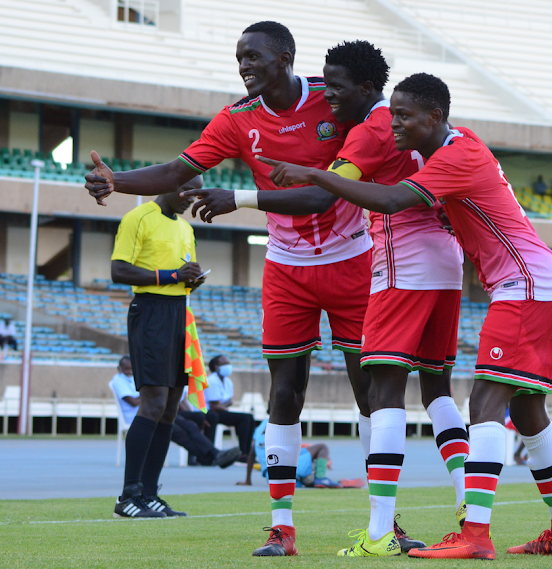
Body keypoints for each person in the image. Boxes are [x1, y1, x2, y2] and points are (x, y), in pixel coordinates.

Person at [257, 73, 552, 558]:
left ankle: (474, 535)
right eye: (391, 113)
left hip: (524, 285)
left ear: (435, 117)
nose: (394, 124)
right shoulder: (462, 145)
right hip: (532, 281)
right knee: (526, 408)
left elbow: (392, 200)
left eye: (405, 115)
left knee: (486, 402)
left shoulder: (458, 155)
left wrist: (315, 174)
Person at [85, 21, 375, 555]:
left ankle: (385, 523)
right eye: (239, 58)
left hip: (351, 259)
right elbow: (179, 168)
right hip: (286, 266)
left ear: (285, 56)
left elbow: (324, 196)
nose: (244, 66)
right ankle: (282, 528)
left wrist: (238, 197)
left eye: (254, 57)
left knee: (368, 393)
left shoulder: (332, 101)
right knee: (284, 393)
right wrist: (117, 181)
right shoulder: (238, 119)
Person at [306, 40, 465, 558]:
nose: (328, 93)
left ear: (366, 88)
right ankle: (468, 507)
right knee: (438, 390)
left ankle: (378, 532)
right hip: (447, 262)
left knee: (385, 392)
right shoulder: (440, 131)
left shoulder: (378, 125)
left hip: (402, 263)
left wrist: (249, 193)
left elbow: (327, 192)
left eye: (335, 83)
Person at [110, 180, 206, 519]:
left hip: (180, 314)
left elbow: (182, 274)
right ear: (170, 185)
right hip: (149, 311)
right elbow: (119, 270)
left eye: (197, 195)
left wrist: (191, 278)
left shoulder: (185, 228)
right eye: (188, 193)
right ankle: (128, 496)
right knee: (152, 403)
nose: (192, 200)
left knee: (169, 409)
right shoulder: (138, 217)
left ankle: (149, 494)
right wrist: (171, 275)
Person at [112, 356, 241, 469]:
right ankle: (212, 456)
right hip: (140, 417)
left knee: (191, 424)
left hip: (154, 413)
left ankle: (212, 455)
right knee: (179, 432)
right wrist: (152, 394)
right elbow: (134, 402)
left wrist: (153, 394)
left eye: (131, 369)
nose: (129, 372)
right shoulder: (118, 381)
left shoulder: (135, 378)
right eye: (126, 369)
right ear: (120, 368)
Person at [250, 418, 365, 488]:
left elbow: (251, 453)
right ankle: (321, 478)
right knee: (322, 447)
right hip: (288, 467)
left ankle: (313, 480)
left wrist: (247, 480)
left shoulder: (259, 428)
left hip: (270, 476)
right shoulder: (283, 422)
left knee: (301, 467)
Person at [202, 355, 255, 461]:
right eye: (224, 364)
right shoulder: (211, 381)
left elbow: (226, 403)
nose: (228, 366)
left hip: (222, 412)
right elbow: (214, 406)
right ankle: (242, 453)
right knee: (244, 418)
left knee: (250, 418)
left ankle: (247, 452)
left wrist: (223, 405)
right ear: (216, 367)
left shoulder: (228, 382)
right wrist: (224, 405)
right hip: (211, 413)